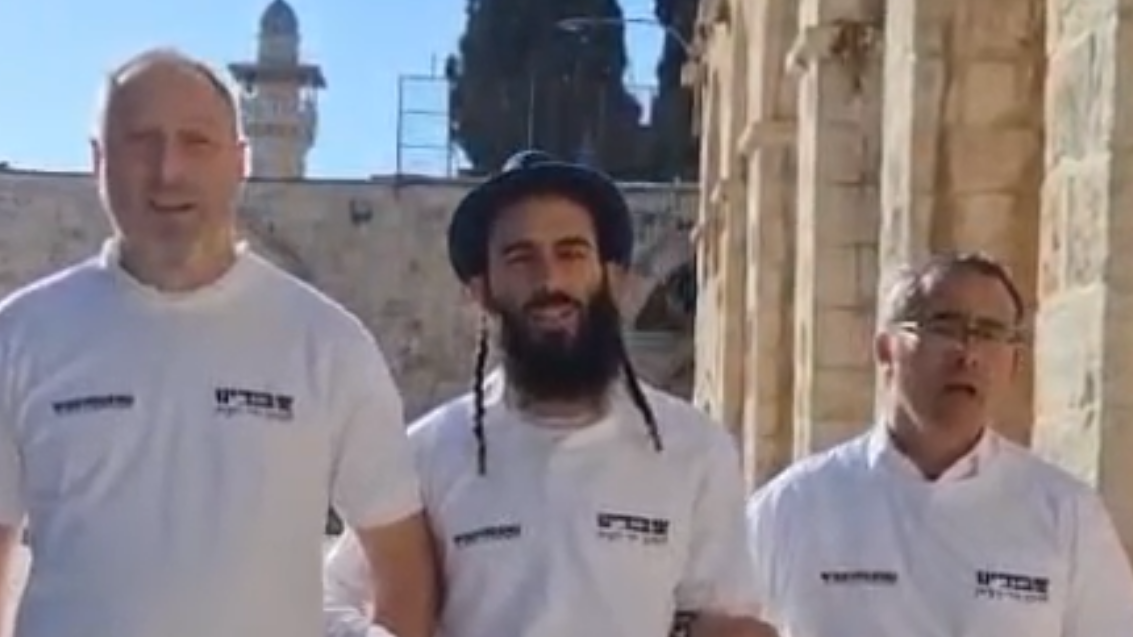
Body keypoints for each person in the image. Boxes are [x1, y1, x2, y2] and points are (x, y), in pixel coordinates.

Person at [0, 48, 436, 637]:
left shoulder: (327, 345)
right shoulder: (22, 336)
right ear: (99, 162)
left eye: (196, 142)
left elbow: (405, 573)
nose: (168, 170)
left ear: (240, 161)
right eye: (140, 142)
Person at [323, 150, 777, 637]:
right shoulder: (429, 454)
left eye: (571, 253)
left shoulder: (694, 449)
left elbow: (723, 616)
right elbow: (330, 599)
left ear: (613, 277)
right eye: (520, 258)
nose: (549, 280)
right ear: (481, 289)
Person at [745, 251, 1133, 636]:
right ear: (886, 349)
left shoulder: (1066, 515)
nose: (968, 354)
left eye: (990, 333)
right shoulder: (793, 507)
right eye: (946, 328)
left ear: (1014, 363)